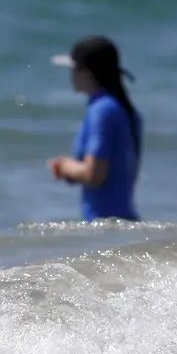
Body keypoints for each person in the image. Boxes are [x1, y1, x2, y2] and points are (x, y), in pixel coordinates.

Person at [47, 35, 143, 222]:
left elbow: (95, 174)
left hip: (106, 226)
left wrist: (65, 166)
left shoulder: (102, 110)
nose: (71, 75)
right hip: (124, 222)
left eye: (73, 69)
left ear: (87, 72)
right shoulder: (127, 111)